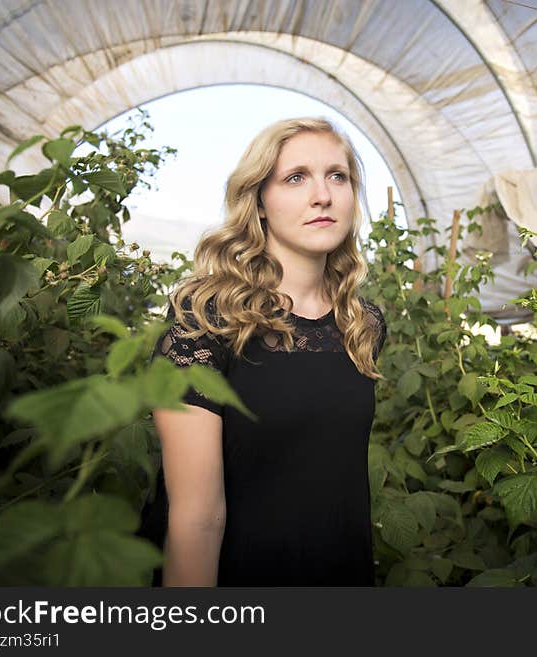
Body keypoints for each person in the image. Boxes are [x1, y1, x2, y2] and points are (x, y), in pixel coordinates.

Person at [138, 117, 388, 586]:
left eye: (338, 176)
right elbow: (198, 519)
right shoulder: (206, 324)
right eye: (296, 178)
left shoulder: (362, 323)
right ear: (259, 202)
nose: (323, 195)